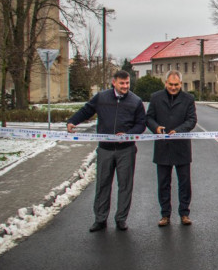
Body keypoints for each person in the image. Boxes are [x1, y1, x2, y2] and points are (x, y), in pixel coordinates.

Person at [67, 70, 146, 232]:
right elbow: (86, 110)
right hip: (105, 149)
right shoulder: (101, 98)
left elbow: (141, 124)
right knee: (103, 185)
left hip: (126, 150)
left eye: (127, 83)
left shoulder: (135, 101)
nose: (125, 86)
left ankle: (121, 219)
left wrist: (128, 135)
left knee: (125, 185)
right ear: (114, 82)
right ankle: (100, 219)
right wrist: (73, 121)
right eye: (122, 83)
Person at [146, 70, 197, 227]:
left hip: (181, 146)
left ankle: (184, 213)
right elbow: (148, 118)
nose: (173, 87)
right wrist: (156, 128)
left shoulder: (188, 99)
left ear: (180, 84)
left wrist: (179, 131)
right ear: (165, 83)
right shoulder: (156, 98)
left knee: (184, 183)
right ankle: (165, 214)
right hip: (163, 147)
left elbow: (192, 120)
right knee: (163, 183)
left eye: (176, 85)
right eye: (170, 84)